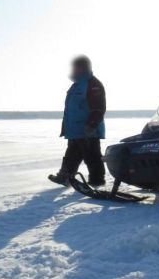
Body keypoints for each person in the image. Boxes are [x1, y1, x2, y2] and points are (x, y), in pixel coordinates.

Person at [48, 55, 106, 187]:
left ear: (84, 68)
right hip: (74, 130)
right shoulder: (76, 85)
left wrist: (92, 125)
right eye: (74, 67)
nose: (74, 70)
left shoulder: (93, 84)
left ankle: (97, 181)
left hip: (88, 129)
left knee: (92, 156)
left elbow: (98, 107)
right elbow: (70, 109)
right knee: (71, 156)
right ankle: (65, 177)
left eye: (77, 67)